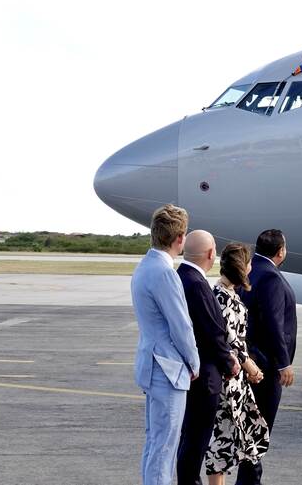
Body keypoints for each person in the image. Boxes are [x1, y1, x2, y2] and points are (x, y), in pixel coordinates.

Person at [131, 204, 199, 485]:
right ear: (180, 238)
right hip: (168, 369)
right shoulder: (165, 273)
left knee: (155, 443)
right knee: (165, 447)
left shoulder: (145, 266)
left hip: (151, 364)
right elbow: (181, 326)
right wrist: (194, 362)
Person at [176, 230, 240, 485]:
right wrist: (229, 362)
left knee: (189, 438)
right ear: (211, 254)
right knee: (196, 440)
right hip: (205, 377)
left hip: (189, 372)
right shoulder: (197, 285)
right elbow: (212, 333)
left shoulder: (180, 277)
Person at [235, 229, 297, 485]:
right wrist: (284, 363)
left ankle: (247, 480)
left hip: (251, 360)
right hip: (266, 365)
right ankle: (250, 482)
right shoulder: (271, 276)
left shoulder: (251, 270)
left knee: (252, 426)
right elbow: (273, 324)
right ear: (281, 251)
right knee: (259, 429)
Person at [205, 243, 270, 485]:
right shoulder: (224, 297)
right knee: (222, 438)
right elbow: (230, 341)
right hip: (228, 381)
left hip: (234, 378)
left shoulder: (224, 293)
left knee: (234, 436)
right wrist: (249, 366)